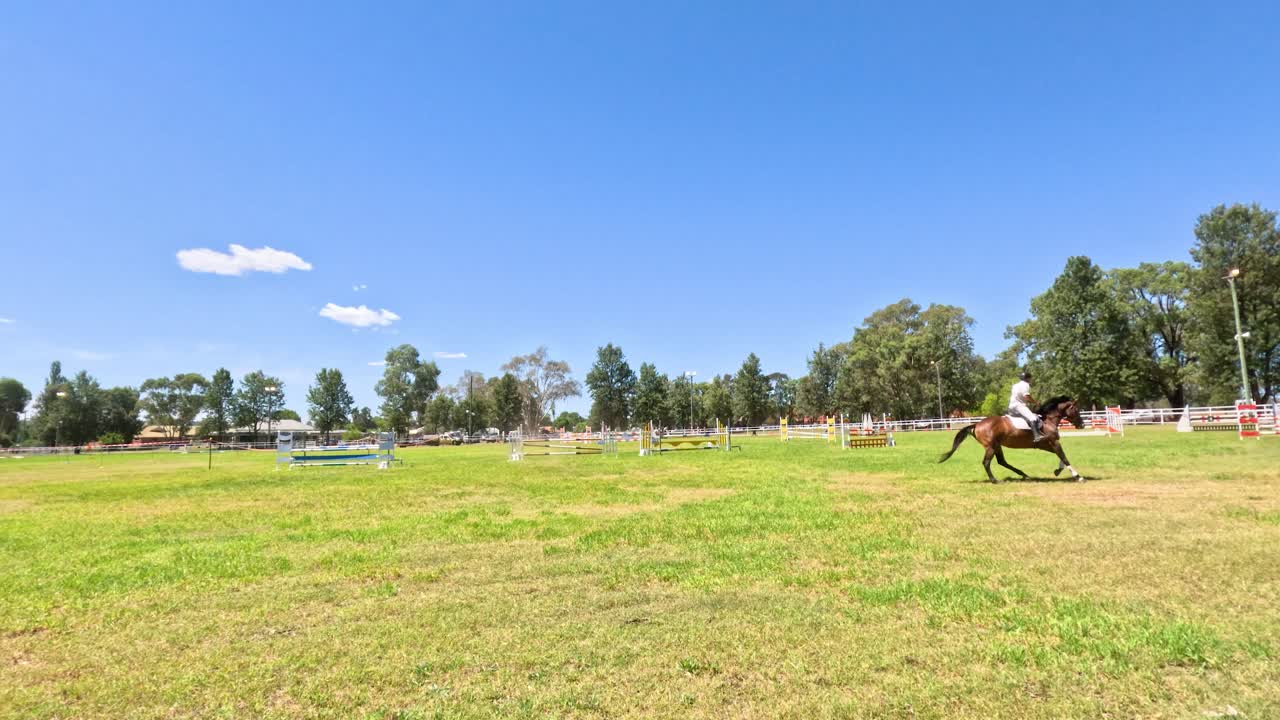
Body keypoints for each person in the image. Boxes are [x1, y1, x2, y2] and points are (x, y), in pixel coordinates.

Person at [1008, 370, 1042, 442]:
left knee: (1026, 418)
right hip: (1019, 406)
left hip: (1011, 407)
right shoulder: (1025, 385)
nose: (1030, 380)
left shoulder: (1015, 385)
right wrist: (1035, 402)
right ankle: (1037, 436)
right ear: (1027, 378)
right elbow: (1026, 397)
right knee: (1033, 418)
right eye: (1030, 378)